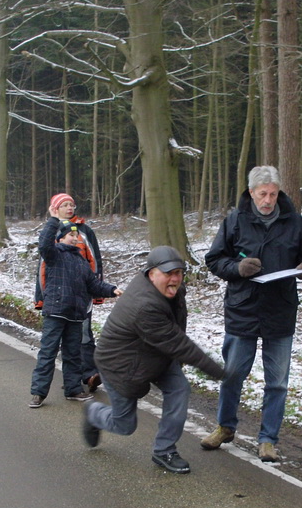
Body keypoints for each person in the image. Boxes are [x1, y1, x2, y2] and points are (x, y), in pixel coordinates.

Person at [202, 165, 302, 462]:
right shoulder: (235, 221)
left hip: (280, 310)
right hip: (242, 310)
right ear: (251, 192)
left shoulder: (294, 222)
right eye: (262, 194)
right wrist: (237, 268)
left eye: (273, 194)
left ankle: (268, 440)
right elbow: (215, 259)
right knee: (232, 375)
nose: (268, 200)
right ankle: (224, 427)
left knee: (277, 382)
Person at [82, 246, 226, 475]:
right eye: (168, 273)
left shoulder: (173, 290)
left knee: (179, 389)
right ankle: (94, 413)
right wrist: (220, 372)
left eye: (178, 272)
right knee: (124, 425)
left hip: (155, 355)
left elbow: (175, 329)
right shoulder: (144, 305)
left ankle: (164, 450)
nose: (175, 279)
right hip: (120, 365)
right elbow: (178, 343)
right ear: (151, 274)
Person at [29, 209, 122, 408]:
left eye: (76, 235)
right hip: (55, 313)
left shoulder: (81, 261)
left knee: (73, 355)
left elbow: (93, 285)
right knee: (48, 353)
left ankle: (73, 389)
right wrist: (54, 220)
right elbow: (44, 244)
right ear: (61, 238)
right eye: (71, 235)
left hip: (76, 315)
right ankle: (38, 393)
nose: (75, 238)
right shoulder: (53, 254)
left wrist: (112, 290)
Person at [33, 193, 107, 392]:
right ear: (55, 208)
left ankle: (88, 375)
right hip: (56, 299)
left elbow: (95, 261)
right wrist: (41, 296)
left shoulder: (85, 231)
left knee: (83, 335)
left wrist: (98, 290)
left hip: (81, 295)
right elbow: (42, 266)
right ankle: (42, 390)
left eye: (71, 205)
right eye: (64, 205)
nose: (69, 208)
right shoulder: (51, 231)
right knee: (52, 346)